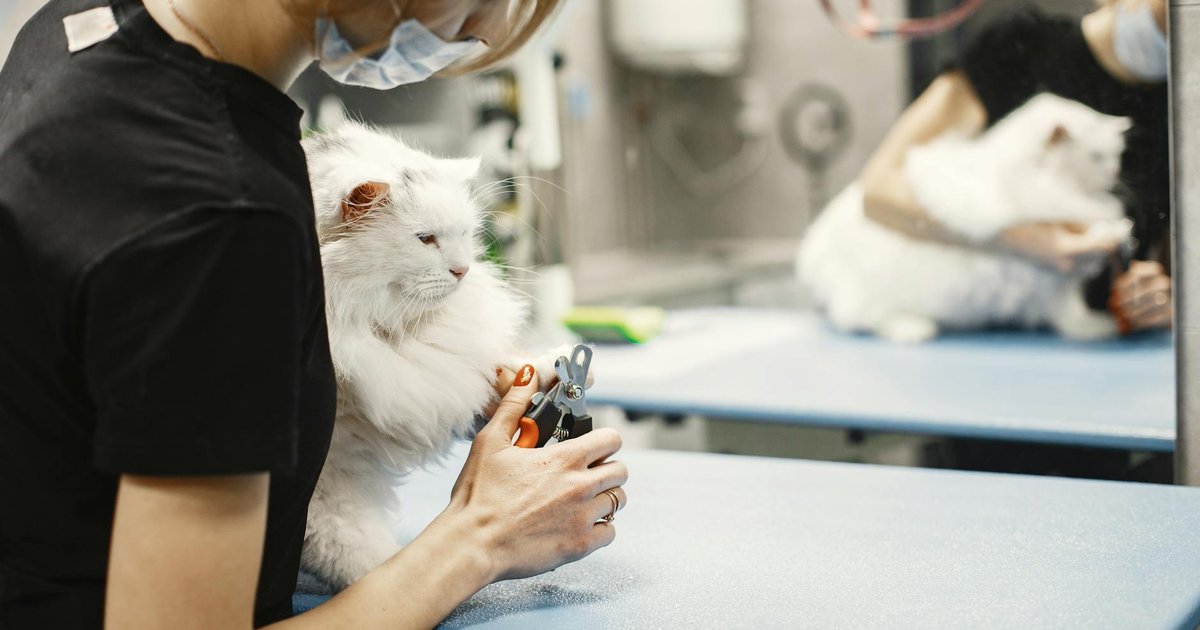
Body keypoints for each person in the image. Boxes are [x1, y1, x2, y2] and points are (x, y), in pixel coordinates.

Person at [0, 0, 628, 628]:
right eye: (494, 2)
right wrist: (482, 535)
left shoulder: (83, 25)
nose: (486, 34)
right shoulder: (225, 213)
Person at [859, 0, 1171, 333]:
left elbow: (1151, 268)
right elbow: (880, 191)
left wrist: (1147, 300)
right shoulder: (1018, 47)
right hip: (947, 326)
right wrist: (1028, 240)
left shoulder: (1181, 116)